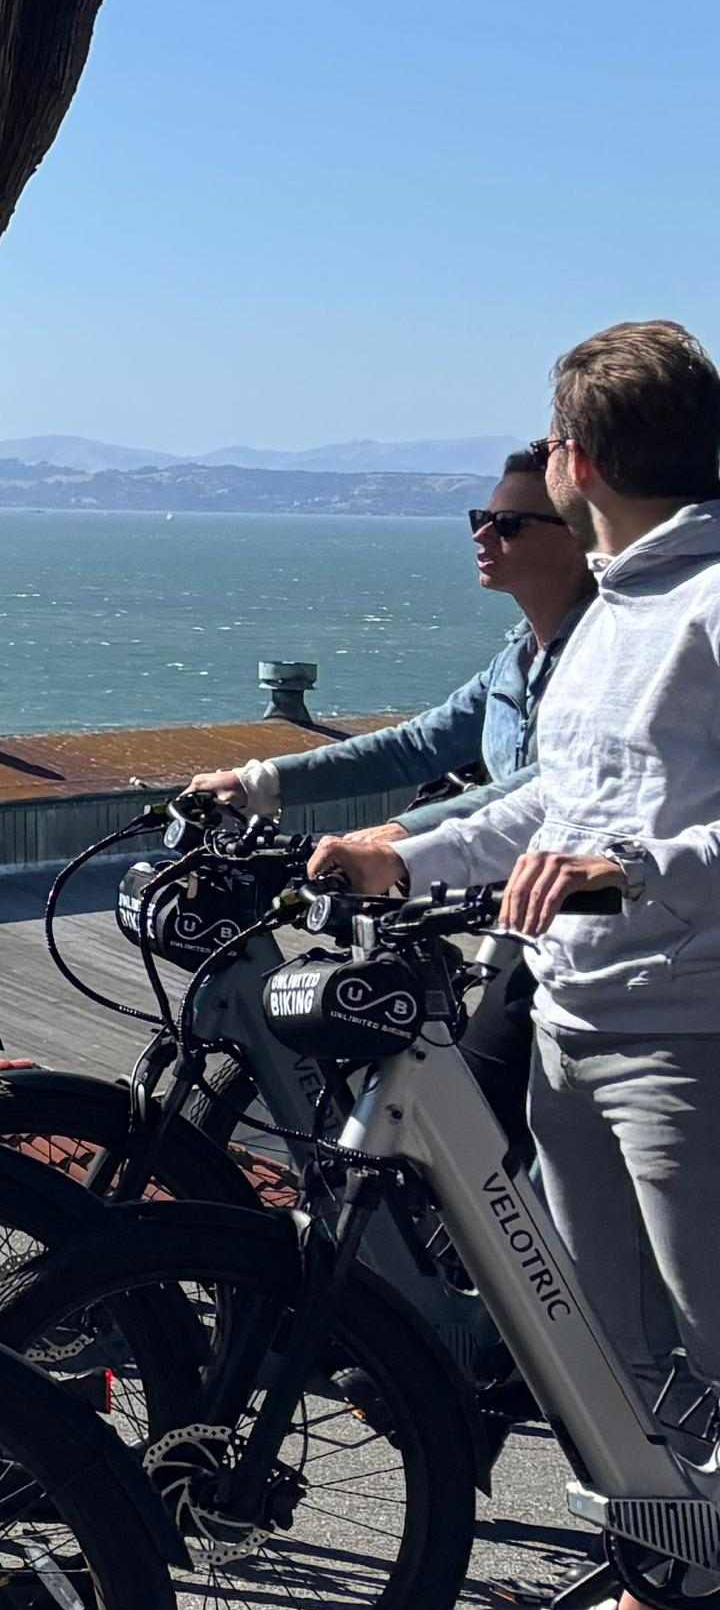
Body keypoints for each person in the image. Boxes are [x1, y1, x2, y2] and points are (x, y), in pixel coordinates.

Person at [315, 324, 720, 1610]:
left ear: (579, 459)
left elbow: (619, 836)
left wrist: (632, 870)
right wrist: (405, 852)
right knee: (614, 1364)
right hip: (575, 1022)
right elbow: (559, 795)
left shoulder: (711, 601)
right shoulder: (614, 606)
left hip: (694, 1035)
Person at [188, 436, 586, 1144]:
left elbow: (551, 785)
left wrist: (401, 838)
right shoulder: (516, 661)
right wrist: (262, 781)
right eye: (479, 518)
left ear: (578, 539)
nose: (484, 536)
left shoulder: (600, 663)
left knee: (485, 1123)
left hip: (578, 929)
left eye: (511, 523)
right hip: (503, 914)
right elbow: (414, 744)